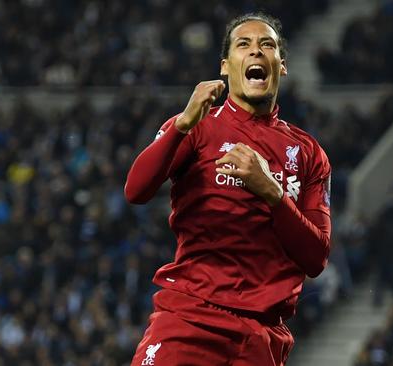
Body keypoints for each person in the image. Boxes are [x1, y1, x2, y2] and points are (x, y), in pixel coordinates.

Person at [124, 12, 332, 365]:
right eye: (244, 44)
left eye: (267, 45)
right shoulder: (199, 126)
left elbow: (315, 257)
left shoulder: (308, 153)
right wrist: (182, 125)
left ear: (281, 66)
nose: (256, 52)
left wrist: (273, 193)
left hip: (261, 338)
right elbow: (136, 190)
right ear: (225, 66)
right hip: (191, 319)